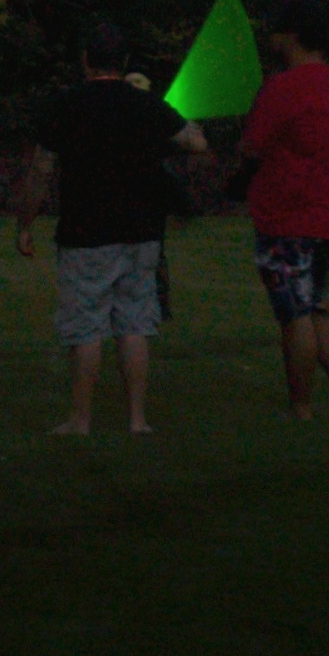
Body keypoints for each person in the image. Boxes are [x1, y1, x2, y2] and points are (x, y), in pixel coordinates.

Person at [14, 24, 209, 434]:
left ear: (86, 61)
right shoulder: (146, 104)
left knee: (86, 326)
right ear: (124, 63)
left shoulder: (67, 104)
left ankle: (80, 418)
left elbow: (41, 170)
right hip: (142, 231)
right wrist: (190, 126)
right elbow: (194, 143)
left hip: (86, 230)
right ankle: (137, 419)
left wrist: (25, 224)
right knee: (135, 324)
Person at [236, 0, 329, 419]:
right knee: (319, 309)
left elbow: (252, 146)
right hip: (325, 219)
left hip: (285, 219)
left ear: (291, 35)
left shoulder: (283, 87)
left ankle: (301, 407)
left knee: (294, 316)